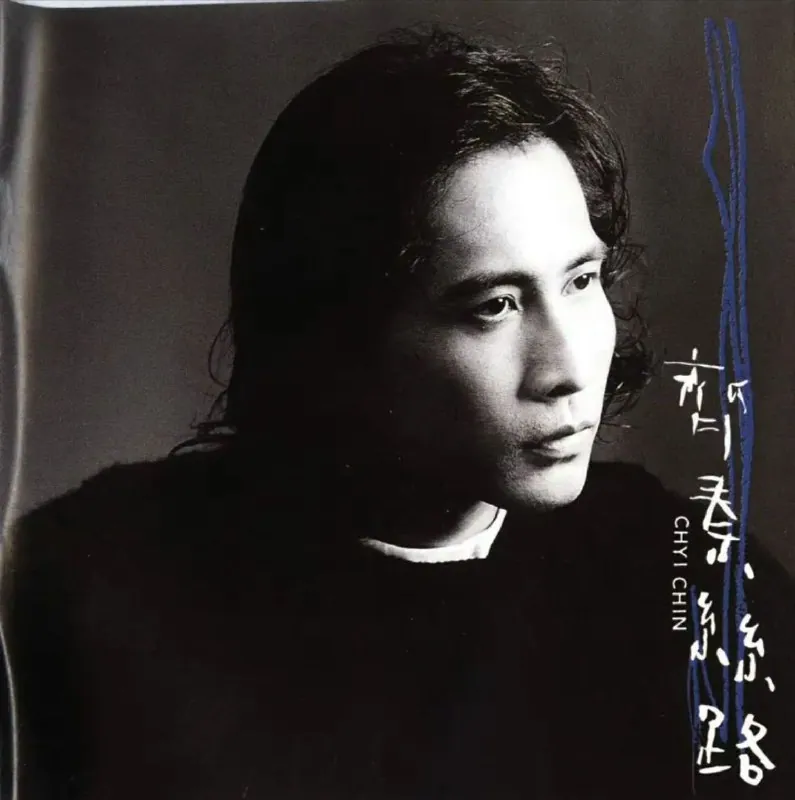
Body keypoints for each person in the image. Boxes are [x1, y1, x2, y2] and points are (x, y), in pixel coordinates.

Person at [1, 27, 793, 800]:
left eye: (580, 281)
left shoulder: (694, 576)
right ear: (339, 331)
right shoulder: (81, 584)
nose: (567, 368)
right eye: (493, 305)